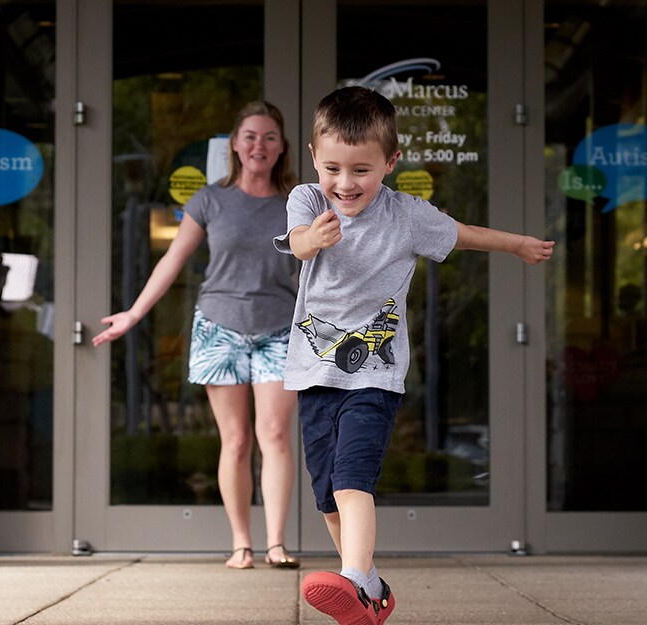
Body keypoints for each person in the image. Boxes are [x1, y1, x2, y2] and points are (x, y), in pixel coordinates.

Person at [275, 86, 553, 625]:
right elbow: (298, 243)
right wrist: (314, 239)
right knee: (328, 497)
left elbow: (465, 236)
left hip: (374, 376)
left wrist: (517, 244)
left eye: (362, 169)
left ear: (391, 162)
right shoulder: (309, 200)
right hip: (313, 373)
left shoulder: (407, 215)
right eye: (333, 168)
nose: (345, 183)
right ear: (313, 157)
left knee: (353, 478)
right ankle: (370, 585)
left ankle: (354, 580)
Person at [93, 101, 303, 571]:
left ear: (282, 146)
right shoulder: (210, 199)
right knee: (235, 440)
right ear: (234, 143)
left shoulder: (298, 202)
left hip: (280, 327)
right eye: (250, 135)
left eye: (269, 136)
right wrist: (134, 313)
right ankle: (241, 544)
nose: (259, 145)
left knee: (276, 435)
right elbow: (172, 260)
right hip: (218, 326)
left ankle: (275, 544)